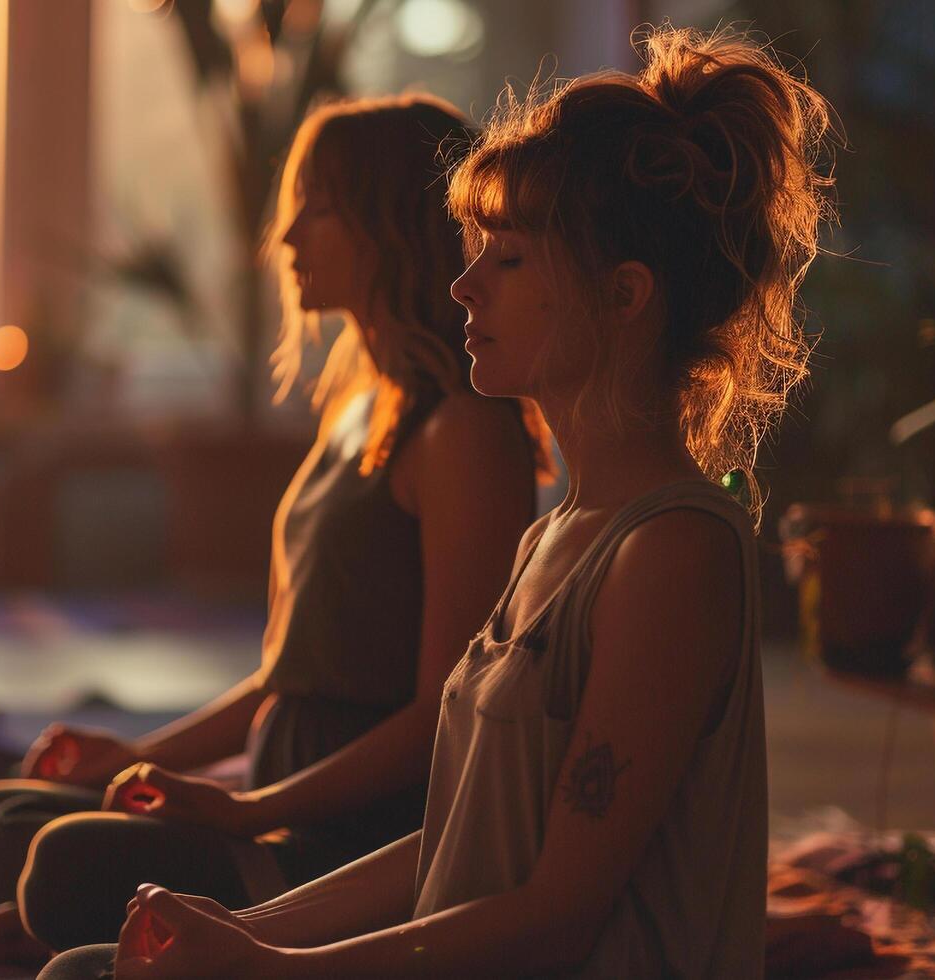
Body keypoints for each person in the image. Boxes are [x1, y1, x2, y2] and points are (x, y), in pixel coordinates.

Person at [41, 24, 832, 979]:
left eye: (508, 261)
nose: (461, 287)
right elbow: (449, 846)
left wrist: (273, 967)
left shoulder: (671, 555)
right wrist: (253, 932)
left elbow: (555, 920)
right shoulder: (555, 536)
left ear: (624, 295)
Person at [0, 93, 548, 962]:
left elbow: (441, 720)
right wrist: (132, 762)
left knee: (56, 863)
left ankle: (126, 909)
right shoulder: (357, 410)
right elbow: (283, 677)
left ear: (395, 223)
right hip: (263, 806)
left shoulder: (462, 431)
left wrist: (249, 811)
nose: (288, 236)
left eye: (320, 208)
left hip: (341, 842)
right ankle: (110, 905)